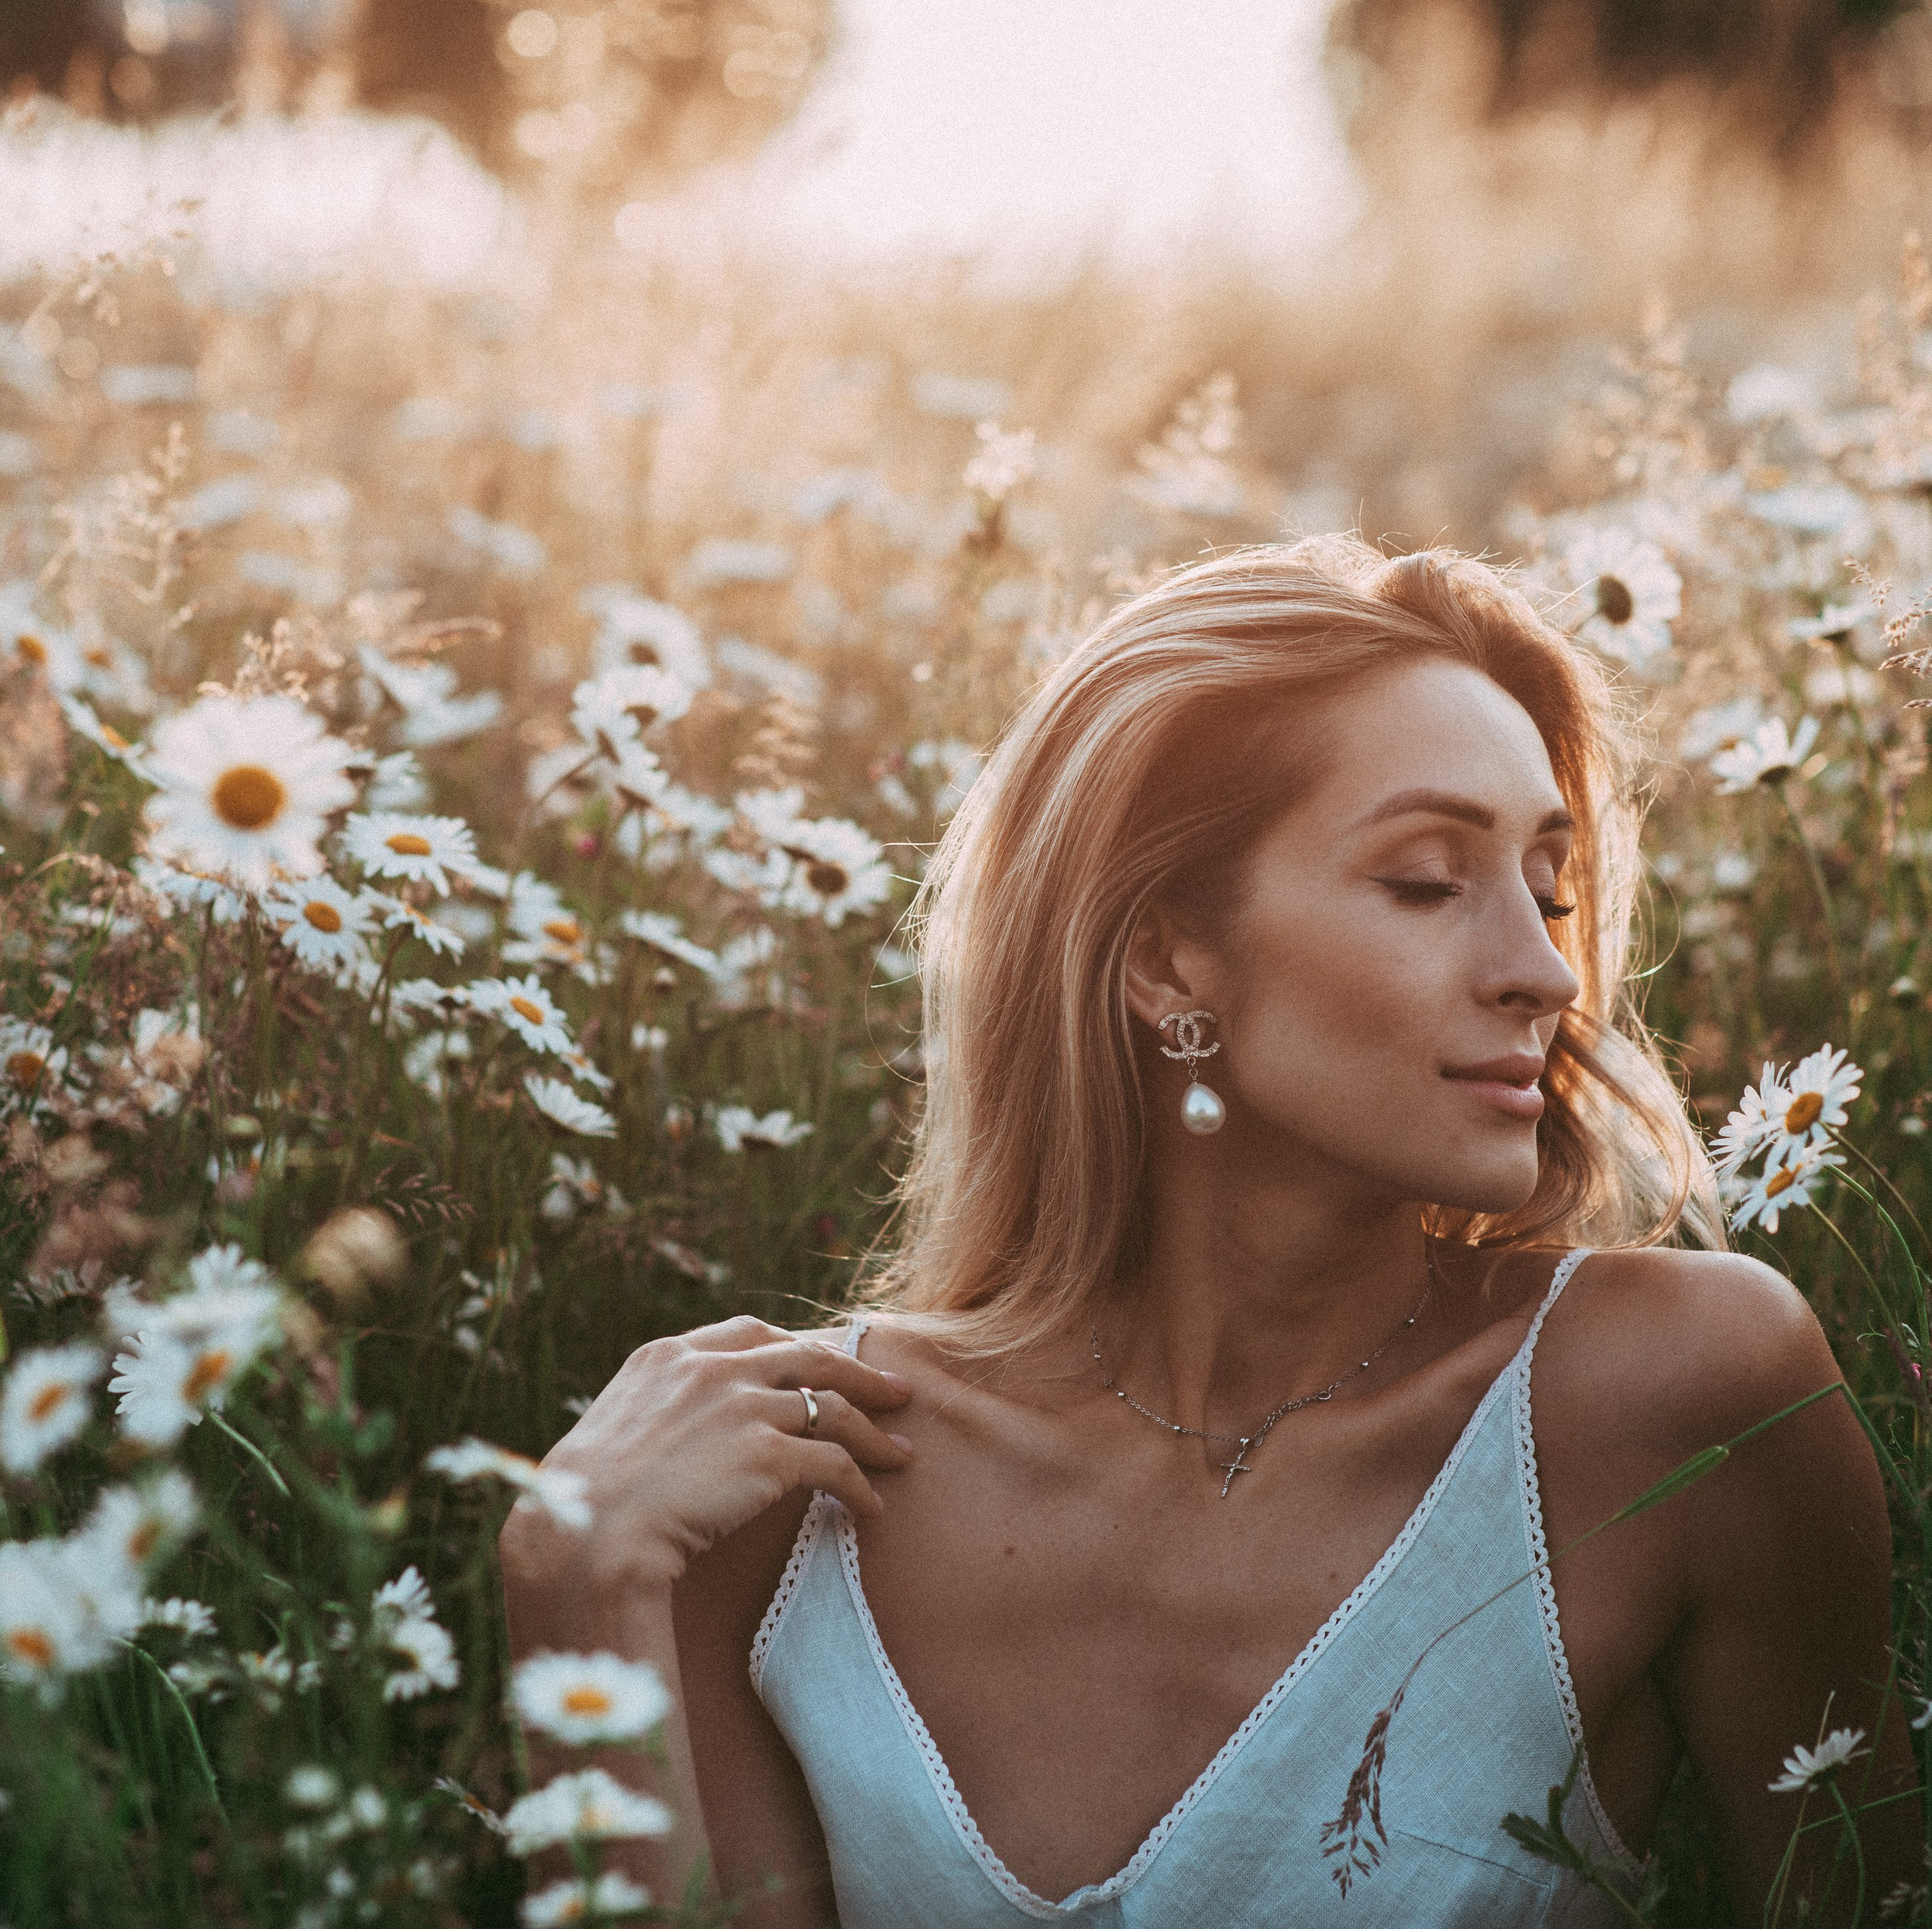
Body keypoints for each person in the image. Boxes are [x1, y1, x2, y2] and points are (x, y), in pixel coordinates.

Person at [500, 537, 1916, 1926]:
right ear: (1167, 955)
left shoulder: (1680, 1397)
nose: (1544, 969)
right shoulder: (786, 1489)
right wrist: (572, 1590)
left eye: (1550, 887)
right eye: (1428, 880)